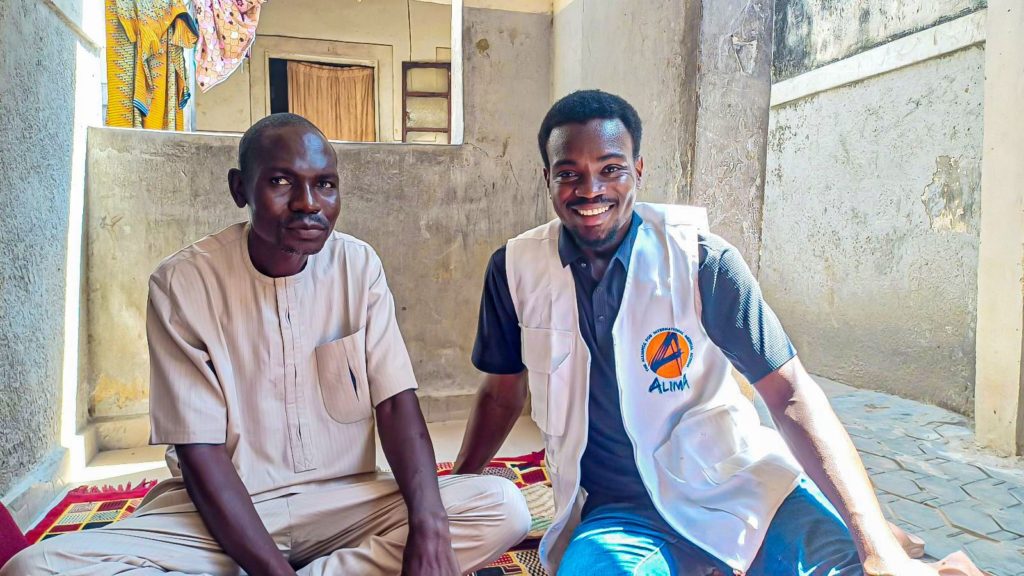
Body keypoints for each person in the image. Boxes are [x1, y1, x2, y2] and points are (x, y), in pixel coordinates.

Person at [2, 113, 529, 576]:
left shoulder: (358, 265)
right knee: (33, 568)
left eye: (325, 185)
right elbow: (201, 452)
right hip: (220, 514)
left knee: (501, 505)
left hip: (346, 503)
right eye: (281, 182)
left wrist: (431, 527)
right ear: (240, 189)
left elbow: (395, 403)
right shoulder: (183, 283)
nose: (308, 204)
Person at [451, 90, 952, 576]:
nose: (590, 190)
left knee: (863, 567)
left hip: (740, 491)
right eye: (569, 174)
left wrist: (875, 547)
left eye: (611, 169)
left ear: (638, 170)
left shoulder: (702, 261)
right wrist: (455, 495)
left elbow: (791, 394)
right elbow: (501, 393)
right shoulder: (514, 270)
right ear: (547, 178)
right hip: (621, 517)